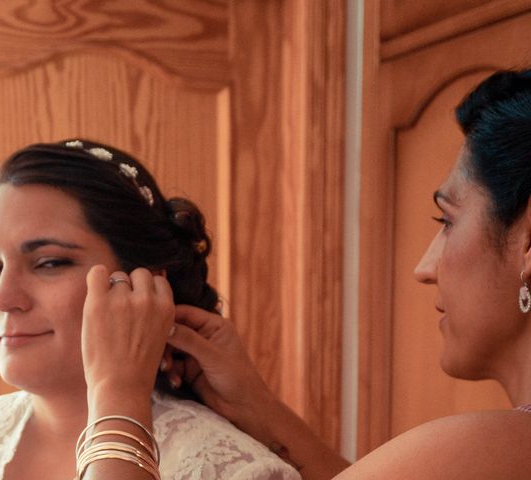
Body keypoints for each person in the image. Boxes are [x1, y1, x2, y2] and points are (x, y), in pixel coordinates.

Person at [162, 69, 531, 479]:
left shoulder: (490, 448)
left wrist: (115, 400)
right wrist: (256, 406)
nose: (424, 268)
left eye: (446, 220)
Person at [0, 140, 300, 479]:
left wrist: (120, 394)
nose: (3, 298)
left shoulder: (228, 466)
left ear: (145, 285)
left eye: (50, 262)